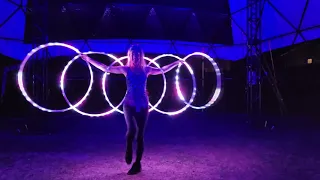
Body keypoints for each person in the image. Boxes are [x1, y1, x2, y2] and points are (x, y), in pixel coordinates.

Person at [80, 45, 182, 175]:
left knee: (140, 136)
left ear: (141, 56)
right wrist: (88, 59)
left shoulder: (147, 69)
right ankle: (128, 147)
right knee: (132, 130)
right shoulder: (126, 69)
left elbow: (162, 70)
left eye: (138, 55)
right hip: (129, 103)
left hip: (144, 105)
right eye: (133, 54)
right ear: (130, 56)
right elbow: (106, 68)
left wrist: (177, 62)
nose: (136, 57)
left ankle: (137, 163)